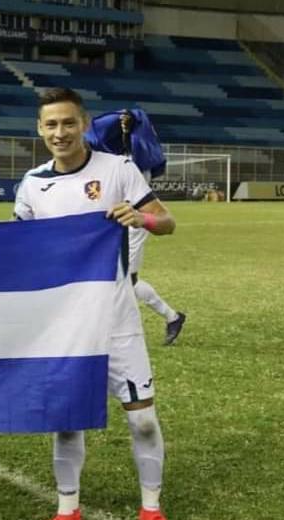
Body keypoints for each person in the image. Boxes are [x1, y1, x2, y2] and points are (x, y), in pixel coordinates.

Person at [14, 88, 182, 520]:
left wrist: (141, 219)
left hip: (116, 317)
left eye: (68, 123)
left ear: (83, 124)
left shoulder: (117, 169)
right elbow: (20, 248)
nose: (59, 133)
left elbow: (166, 220)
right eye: (51, 125)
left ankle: (151, 511)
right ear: (40, 129)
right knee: (67, 424)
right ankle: (68, 515)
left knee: (144, 421)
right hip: (63, 326)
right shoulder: (31, 185)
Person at [86, 109, 186, 345]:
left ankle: (171, 317)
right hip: (117, 225)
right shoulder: (122, 160)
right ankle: (171, 317)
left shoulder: (134, 163)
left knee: (126, 280)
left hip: (134, 224)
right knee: (119, 279)